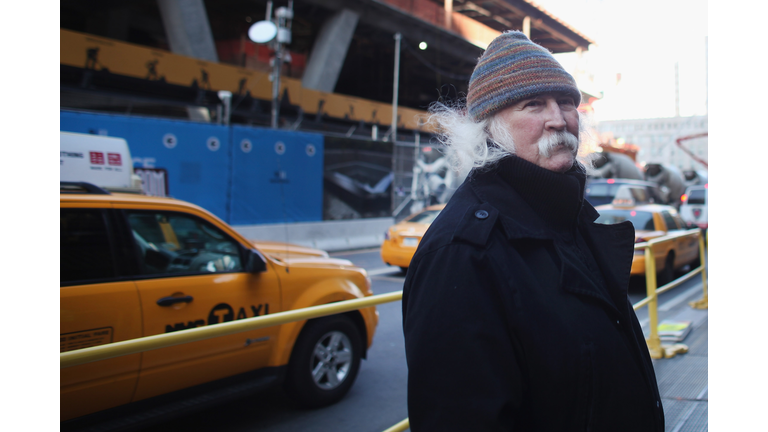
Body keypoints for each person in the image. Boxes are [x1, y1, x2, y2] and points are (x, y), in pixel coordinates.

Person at [402, 31, 664, 431]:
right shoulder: (462, 254)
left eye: (565, 102)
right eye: (533, 105)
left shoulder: (567, 218)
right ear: (489, 129)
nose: (558, 120)